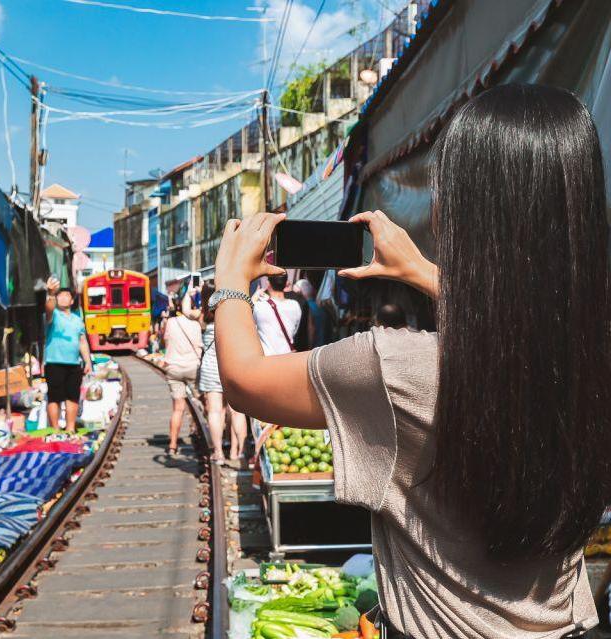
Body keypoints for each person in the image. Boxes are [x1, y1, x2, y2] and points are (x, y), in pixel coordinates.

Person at [212, 84, 608, 638]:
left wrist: (230, 282)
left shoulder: (396, 369)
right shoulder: (590, 363)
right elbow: (518, 332)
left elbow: (245, 380)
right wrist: (423, 274)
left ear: (464, 216)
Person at [197, 284, 247, 464]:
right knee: (238, 412)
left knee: (215, 411)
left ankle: (218, 453)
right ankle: (239, 452)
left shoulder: (203, 317)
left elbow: (186, 309)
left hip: (211, 368)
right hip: (231, 366)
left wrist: (190, 292)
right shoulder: (232, 316)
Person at [44, 277, 92, 432]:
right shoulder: (53, 316)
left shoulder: (78, 320)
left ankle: (70, 428)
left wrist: (88, 361)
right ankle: (56, 429)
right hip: (54, 362)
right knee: (54, 397)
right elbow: (49, 308)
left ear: (72, 301)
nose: (62, 297)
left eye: (66, 296)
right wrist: (51, 294)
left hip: (73, 364)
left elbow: (82, 341)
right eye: (60, 295)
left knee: (72, 396)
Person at [162, 290, 202, 456]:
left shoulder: (171, 323)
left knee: (178, 409)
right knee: (201, 405)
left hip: (174, 368)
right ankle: (202, 437)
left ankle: (172, 445)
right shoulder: (197, 323)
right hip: (193, 368)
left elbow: (165, 340)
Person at [252, 274, 301, 355]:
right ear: (286, 284)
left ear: (268, 283)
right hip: (288, 357)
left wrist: (254, 298)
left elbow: (248, 325)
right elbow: (295, 329)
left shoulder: (259, 306)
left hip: (268, 359)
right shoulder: (295, 305)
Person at [294, 279, 330, 347]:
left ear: (300, 292)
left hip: (312, 348)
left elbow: (311, 329)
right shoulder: (321, 308)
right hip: (323, 345)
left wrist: (309, 347)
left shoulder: (305, 307)